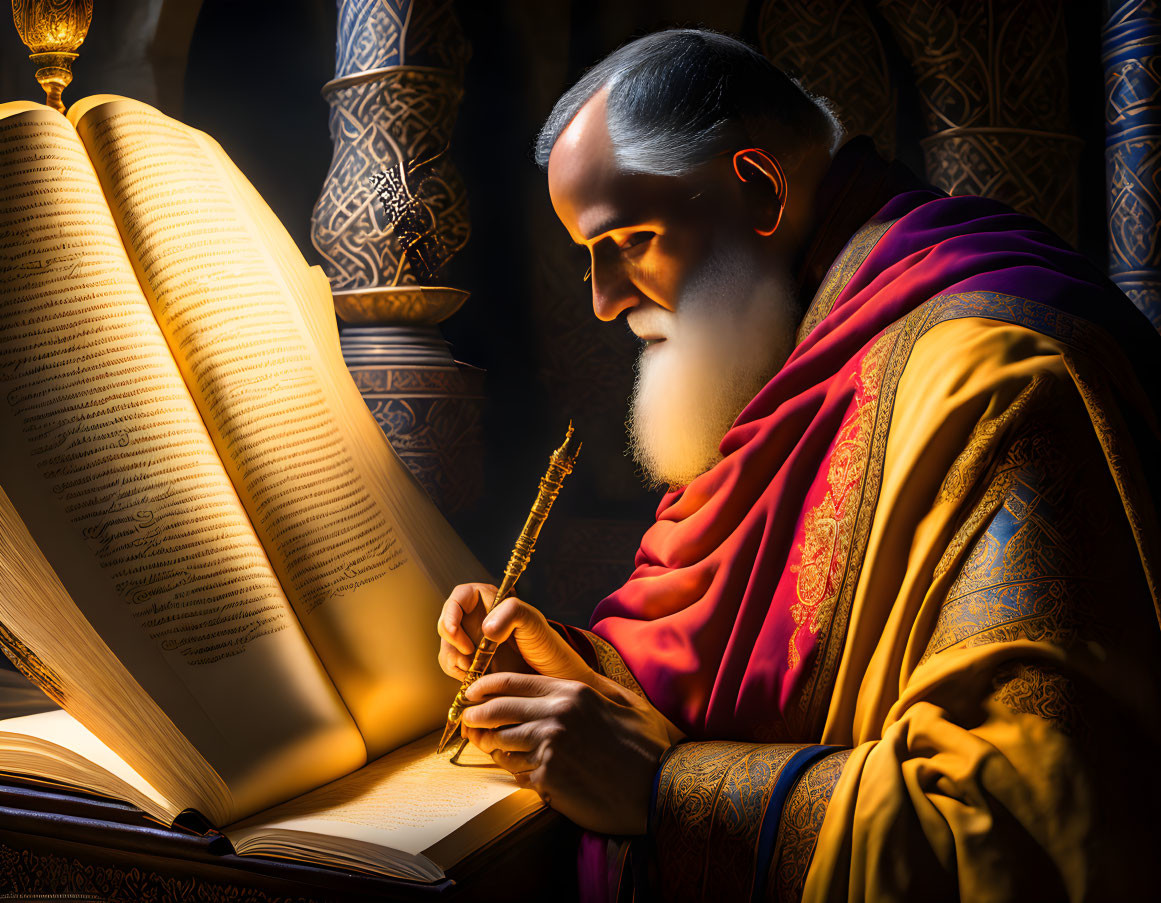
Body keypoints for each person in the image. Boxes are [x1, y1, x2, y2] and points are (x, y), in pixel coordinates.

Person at [436, 28, 1161, 902]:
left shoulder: (998, 380)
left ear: (758, 188)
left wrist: (666, 792)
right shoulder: (792, 352)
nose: (603, 300)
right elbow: (739, 667)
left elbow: (1020, 833)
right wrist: (582, 673)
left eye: (627, 239)